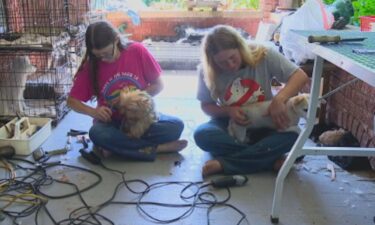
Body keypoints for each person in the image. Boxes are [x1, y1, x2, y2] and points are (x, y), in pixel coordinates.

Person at [194, 25, 310, 176]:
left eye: (232, 58)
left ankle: (225, 164)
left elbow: (300, 76)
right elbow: (206, 106)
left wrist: (280, 99)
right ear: (213, 62)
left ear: (240, 48)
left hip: (266, 121)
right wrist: (228, 111)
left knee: (294, 137)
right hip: (231, 124)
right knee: (202, 135)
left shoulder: (263, 54)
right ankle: (269, 158)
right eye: (222, 63)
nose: (230, 65)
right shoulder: (207, 71)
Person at [67, 21, 187, 161]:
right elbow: (71, 101)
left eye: (106, 53)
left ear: (116, 40)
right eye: (98, 55)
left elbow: (159, 85)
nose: (103, 59)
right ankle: (158, 148)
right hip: (112, 123)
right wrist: (93, 112)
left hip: (140, 119)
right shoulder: (92, 65)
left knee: (176, 126)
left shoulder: (137, 51)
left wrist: (132, 100)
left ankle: (119, 148)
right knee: (97, 134)